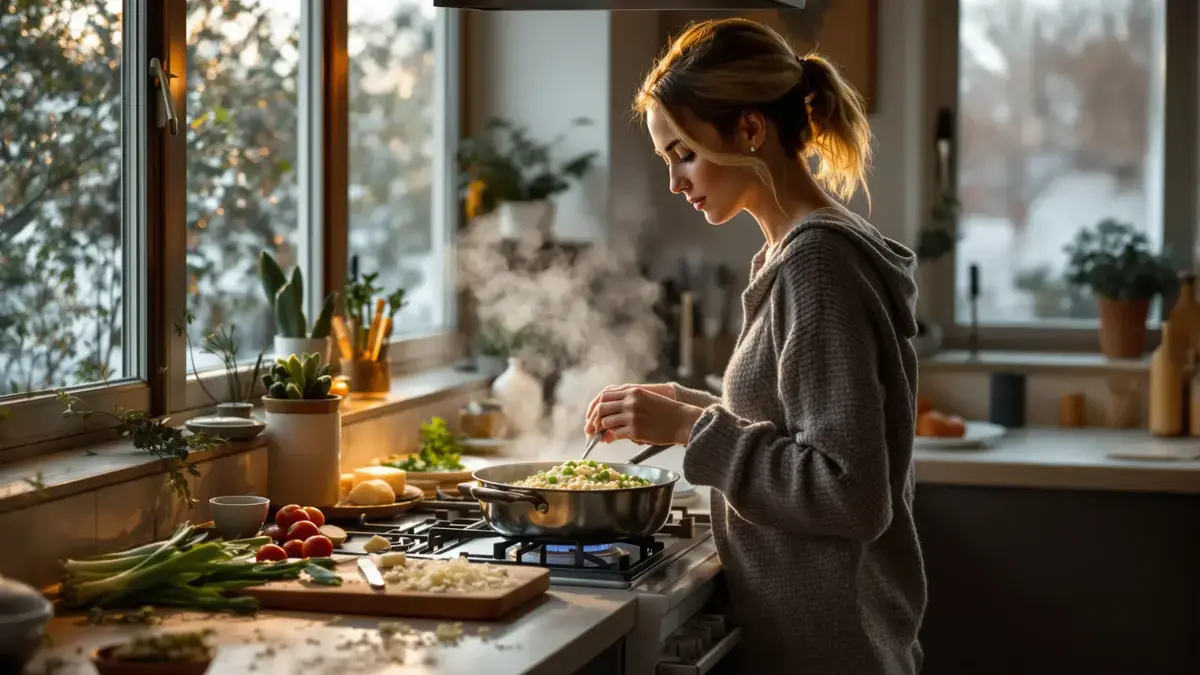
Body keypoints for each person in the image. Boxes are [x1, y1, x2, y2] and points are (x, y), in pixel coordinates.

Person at [583, 18, 926, 674]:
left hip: (831, 648)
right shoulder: (793, 251)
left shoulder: (817, 264)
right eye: (667, 160)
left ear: (748, 130)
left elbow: (849, 493)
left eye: (683, 152)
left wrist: (692, 427)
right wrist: (687, 407)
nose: (676, 181)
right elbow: (799, 425)